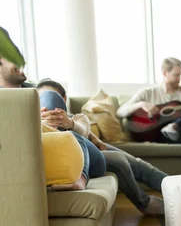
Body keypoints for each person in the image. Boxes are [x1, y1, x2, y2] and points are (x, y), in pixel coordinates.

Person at [37, 79, 166, 215]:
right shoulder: (32, 125)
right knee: (118, 159)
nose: (49, 109)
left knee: (137, 164)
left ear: (63, 100)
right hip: (67, 157)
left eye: (54, 99)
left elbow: (84, 129)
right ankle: (145, 202)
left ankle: (176, 188)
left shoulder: (77, 118)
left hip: (90, 152)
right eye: (42, 101)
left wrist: (70, 123)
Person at [0, 56, 105, 190]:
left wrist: (92, 137)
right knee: (120, 160)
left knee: (50, 96)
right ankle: (79, 176)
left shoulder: (37, 88)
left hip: (70, 140)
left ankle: (79, 176)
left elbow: (75, 121)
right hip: (47, 144)